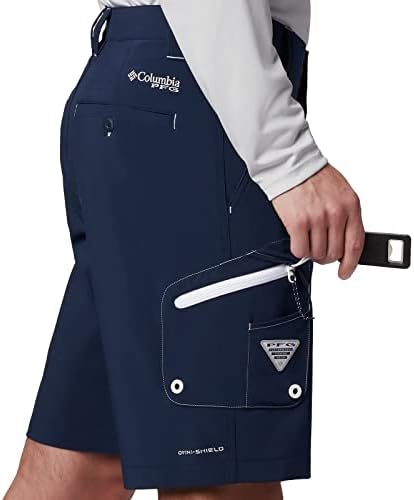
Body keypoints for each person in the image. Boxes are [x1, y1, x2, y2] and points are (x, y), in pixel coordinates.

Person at [5, 1, 365, 499]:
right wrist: (288, 159)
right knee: (216, 477)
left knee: (86, 470)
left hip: (142, 87)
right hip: (199, 104)